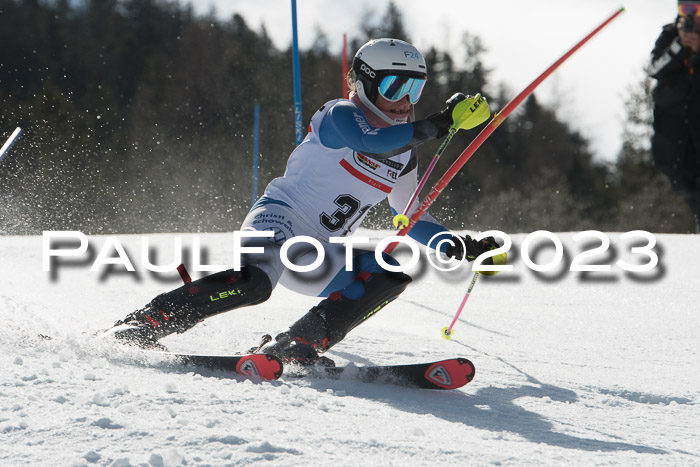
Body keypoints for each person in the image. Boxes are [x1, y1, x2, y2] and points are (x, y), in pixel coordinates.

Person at [106, 38, 501, 365]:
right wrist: (440, 122)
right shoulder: (340, 115)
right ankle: (147, 322)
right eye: (395, 87)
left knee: (389, 273)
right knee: (255, 283)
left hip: (318, 255)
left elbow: (409, 215)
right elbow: (370, 141)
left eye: (414, 89)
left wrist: (458, 245)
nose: (405, 100)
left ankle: (299, 344)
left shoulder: (405, 152)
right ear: (364, 84)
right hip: (277, 223)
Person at [649, 1, 700, 231]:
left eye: (697, 9)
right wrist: (679, 46)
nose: (691, 15)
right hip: (673, 133)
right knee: (683, 182)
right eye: (686, 9)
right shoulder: (670, 34)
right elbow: (654, 68)